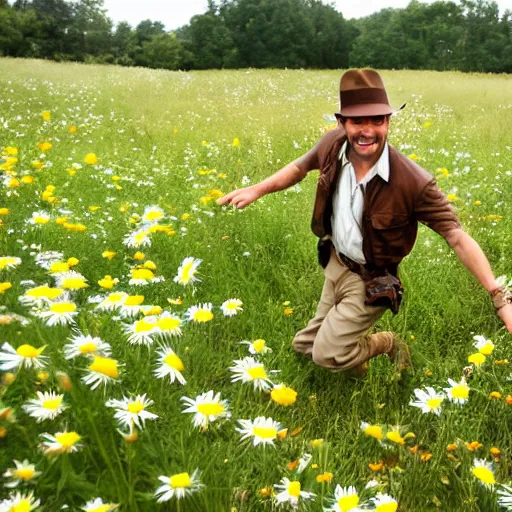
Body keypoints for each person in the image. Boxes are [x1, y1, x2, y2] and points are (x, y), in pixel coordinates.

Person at [216, 68, 512, 374]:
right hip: (336, 265)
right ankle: (355, 359)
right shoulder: (332, 145)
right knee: (304, 347)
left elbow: (456, 236)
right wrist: (257, 189)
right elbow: (300, 166)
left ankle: (387, 343)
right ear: (342, 123)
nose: (367, 130)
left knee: (326, 356)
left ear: (388, 122)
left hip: (372, 281)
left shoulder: (414, 183)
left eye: (377, 120)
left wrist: (498, 297)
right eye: (357, 121)